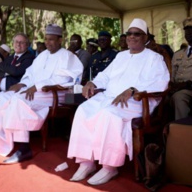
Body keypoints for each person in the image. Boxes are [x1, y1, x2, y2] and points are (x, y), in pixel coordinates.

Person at [67, 18, 169, 185]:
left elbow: (161, 83)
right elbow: (106, 76)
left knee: (108, 115)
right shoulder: (121, 56)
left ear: (145, 38)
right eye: (129, 33)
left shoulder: (154, 58)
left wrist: (132, 90)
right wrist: (93, 83)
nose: (132, 37)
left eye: (137, 34)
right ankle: (86, 162)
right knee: (83, 110)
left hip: (136, 101)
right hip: (109, 96)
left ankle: (109, 166)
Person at [0, 24, 83, 163]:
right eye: (46, 39)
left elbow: (67, 79)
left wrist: (38, 86)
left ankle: (24, 147)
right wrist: (22, 84)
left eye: (51, 39)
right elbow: (30, 73)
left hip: (54, 93)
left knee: (18, 100)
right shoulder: (42, 56)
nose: (47, 42)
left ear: (60, 40)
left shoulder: (68, 56)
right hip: (34, 90)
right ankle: (1, 142)